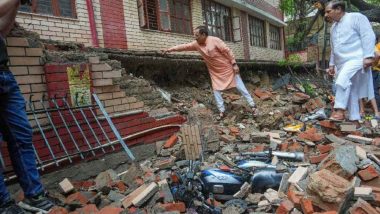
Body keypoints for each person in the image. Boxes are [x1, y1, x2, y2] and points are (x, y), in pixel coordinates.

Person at [0, 0, 54, 213]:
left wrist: (16, 5)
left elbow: (3, 29)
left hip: (4, 74)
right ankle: (4, 205)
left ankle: (35, 195)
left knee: (21, 137)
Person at [162, 26, 258, 119]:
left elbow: (228, 51)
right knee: (216, 90)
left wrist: (234, 64)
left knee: (241, 87)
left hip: (227, 69)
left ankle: (253, 106)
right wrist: (169, 49)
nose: (195, 37)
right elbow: (184, 47)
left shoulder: (215, 40)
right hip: (215, 72)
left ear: (203, 34)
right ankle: (222, 111)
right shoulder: (196, 44)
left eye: (197, 35)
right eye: (194, 35)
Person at [325, 1, 376, 123]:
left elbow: (368, 35)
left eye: (328, 11)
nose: (326, 15)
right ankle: (354, 119)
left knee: (342, 79)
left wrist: (369, 56)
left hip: (357, 58)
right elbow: (334, 48)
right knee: (352, 91)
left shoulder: (356, 17)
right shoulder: (333, 28)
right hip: (341, 63)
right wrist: (331, 64)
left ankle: (339, 110)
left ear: (338, 9)